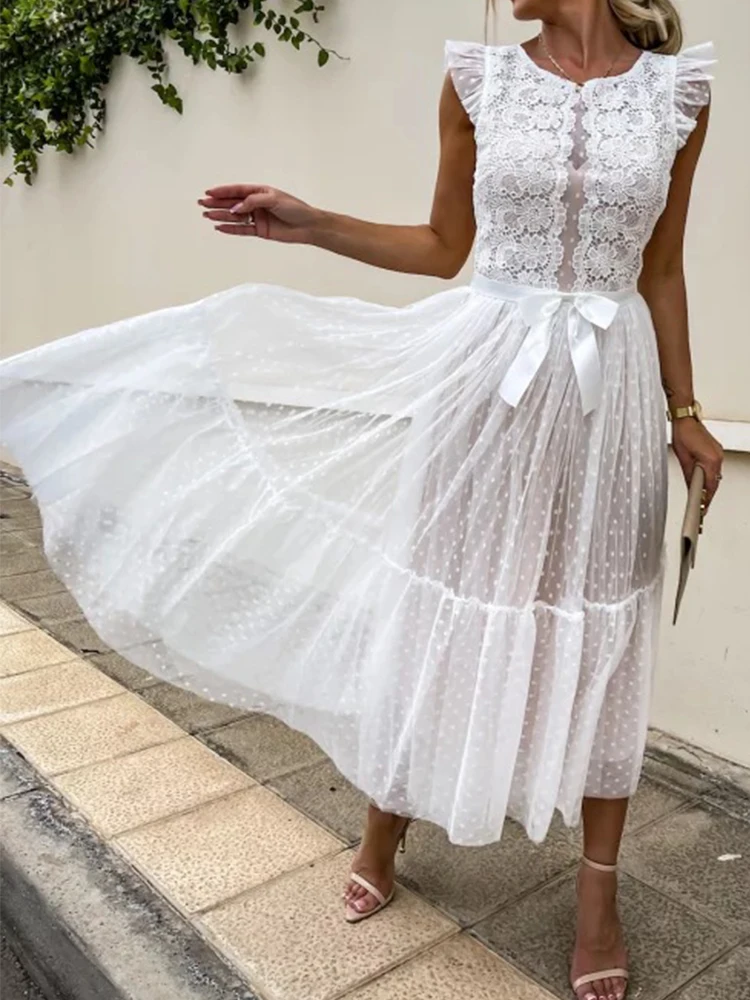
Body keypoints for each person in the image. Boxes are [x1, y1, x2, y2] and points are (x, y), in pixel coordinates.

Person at [0, 1, 723, 998]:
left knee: (602, 627)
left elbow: (663, 267)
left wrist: (686, 411)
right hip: (486, 388)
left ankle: (597, 893)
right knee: (440, 616)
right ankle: (384, 825)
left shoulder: (679, 92)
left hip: (610, 403)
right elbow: (443, 246)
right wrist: (312, 224)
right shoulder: (479, 80)